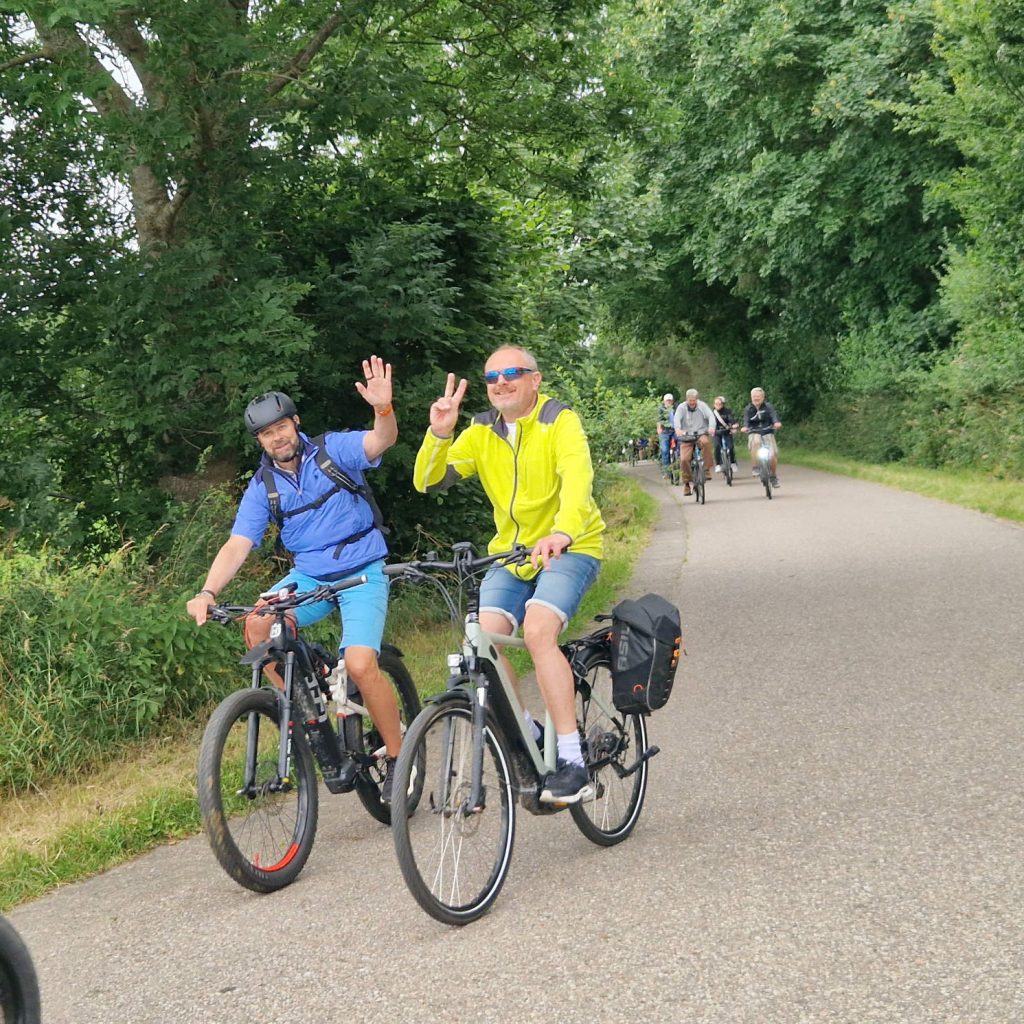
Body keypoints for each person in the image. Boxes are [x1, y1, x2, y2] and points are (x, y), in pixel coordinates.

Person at [185, 357, 406, 801]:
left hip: (362, 571)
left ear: (295, 423)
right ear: (260, 440)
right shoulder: (263, 486)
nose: (277, 437)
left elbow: (381, 440)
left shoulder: (331, 451)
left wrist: (383, 409)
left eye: (282, 427)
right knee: (258, 624)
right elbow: (237, 545)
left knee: (361, 665)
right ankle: (305, 710)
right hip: (310, 576)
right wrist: (207, 592)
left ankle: (401, 759)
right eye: (267, 433)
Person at [413, 346, 606, 804]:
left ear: (534, 380)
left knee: (539, 632)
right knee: (482, 642)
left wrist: (563, 531)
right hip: (512, 556)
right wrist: (439, 433)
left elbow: (578, 482)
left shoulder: (560, 420)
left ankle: (573, 760)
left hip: (570, 547)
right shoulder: (482, 430)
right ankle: (530, 731)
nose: (501, 382)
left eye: (512, 373)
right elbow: (427, 481)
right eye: (492, 376)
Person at [673, 388, 715, 496]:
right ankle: (687, 484)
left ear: (697, 399)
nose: (692, 402)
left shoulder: (702, 406)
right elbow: (676, 419)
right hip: (686, 436)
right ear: (687, 399)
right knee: (684, 459)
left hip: (700, 433)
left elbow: (711, 416)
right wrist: (678, 429)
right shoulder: (681, 407)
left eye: (694, 400)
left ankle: (706, 469)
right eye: (690, 400)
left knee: (705, 443)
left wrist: (711, 427)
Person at [741, 386, 783, 487]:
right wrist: (745, 427)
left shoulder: (768, 407)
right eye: (754, 396)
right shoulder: (748, 409)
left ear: (763, 397)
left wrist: (776, 423)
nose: (756, 398)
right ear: (751, 397)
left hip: (767, 431)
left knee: (772, 455)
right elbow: (746, 420)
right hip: (754, 431)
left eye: (758, 396)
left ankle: (773, 476)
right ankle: (755, 466)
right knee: (756, 442)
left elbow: (773, 416)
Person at [711, 396, 740, 474]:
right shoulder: (712, 413)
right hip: (717, 433)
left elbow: (731, 419)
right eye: (716, 404)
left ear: (723, 404)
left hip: (726, 431)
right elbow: (709, 423)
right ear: (714, 404)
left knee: (730, 447)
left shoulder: (727, 411)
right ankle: (718, 464)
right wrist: (710, 429)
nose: (718, 405)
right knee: (717, 446)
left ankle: (733, 463)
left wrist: (734, 425)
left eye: (719, 404)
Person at [655, 393, 676, 475]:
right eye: (667, 401)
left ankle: (679, 465)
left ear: (672, 401)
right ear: (664, 401)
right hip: (665, 432)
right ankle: (666, 471)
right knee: (665, 450)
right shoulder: (661, 409)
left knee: (680, 447)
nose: (669, 402)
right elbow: (659, 420)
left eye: (670, 401)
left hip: (675, 430)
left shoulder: (676, 408)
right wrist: (659, 428)